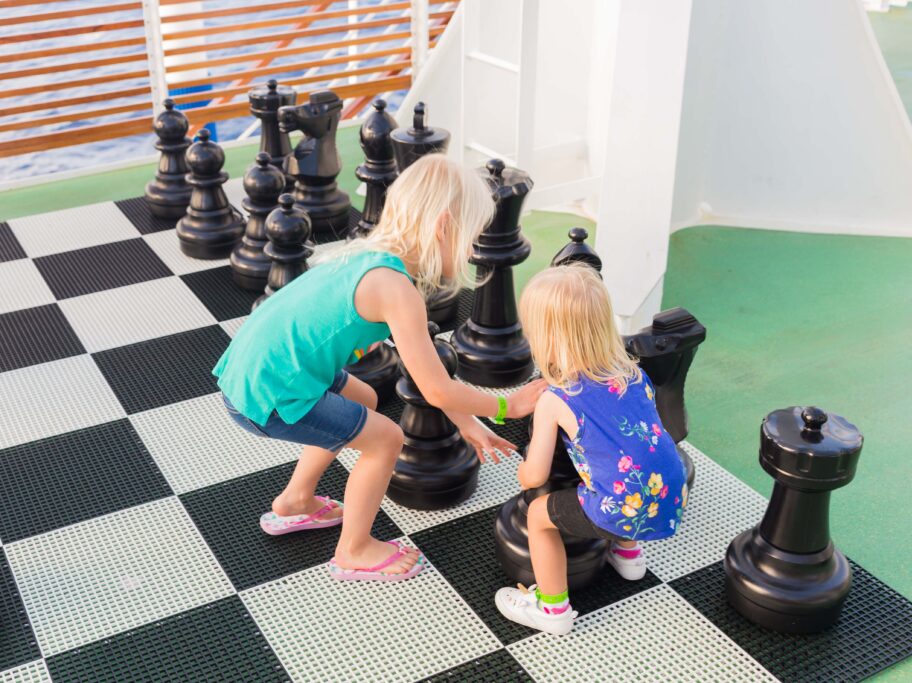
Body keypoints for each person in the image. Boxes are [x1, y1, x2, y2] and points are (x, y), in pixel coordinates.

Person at [214, 154, 547, 582]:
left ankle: (295, 500)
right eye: (471, 236)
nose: (471, 250)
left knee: (365, 398)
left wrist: (469, 425)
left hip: (261, 370)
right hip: (272, 392)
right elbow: (439, 389)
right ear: (444, 225)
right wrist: (507, 407)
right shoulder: (395, 289)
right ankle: (353, 549)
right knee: (386, 439)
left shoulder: (369, 258)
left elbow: (432, 381)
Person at [494, 264, 687, 634]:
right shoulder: (632, 372)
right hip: (670, 491)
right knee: (625, 466)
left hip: (621, 506)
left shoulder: (557, 398)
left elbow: (533, 476)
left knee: (538, 515)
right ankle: (628, 555)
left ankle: (552, 609)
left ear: (545, 337)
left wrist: (521, 469)